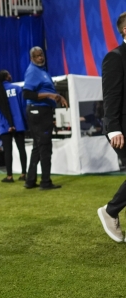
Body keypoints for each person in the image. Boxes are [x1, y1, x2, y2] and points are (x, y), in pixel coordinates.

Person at [97, 11, 126, 243]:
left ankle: (111, 210)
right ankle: (110, 211)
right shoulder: (115, 57)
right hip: (122, 128)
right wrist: (114, 128)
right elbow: (111, 95)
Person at [22, 46, 68, 190]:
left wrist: (57, 96)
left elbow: (46, 90)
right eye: (36, 56)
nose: (40, 58)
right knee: (45, 146)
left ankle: (30, 180)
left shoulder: (42, 71)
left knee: (38, 146)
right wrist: (50, 95)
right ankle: (45, 182)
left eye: (41, 55)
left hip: (43, 110)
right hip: (38, 111)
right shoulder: (32, 71)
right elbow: (27, 94)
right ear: (32, 58)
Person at [0, 70, 27, 182]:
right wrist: (21, 123)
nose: (11, 75)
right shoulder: (17, 89)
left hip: (4, 127)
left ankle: (9, 176)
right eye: (9, 74)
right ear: (6, 77)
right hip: (19, 125)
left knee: (7, 151)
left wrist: (7, 125)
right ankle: (23, 174)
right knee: (22, 149)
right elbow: (23, 107)